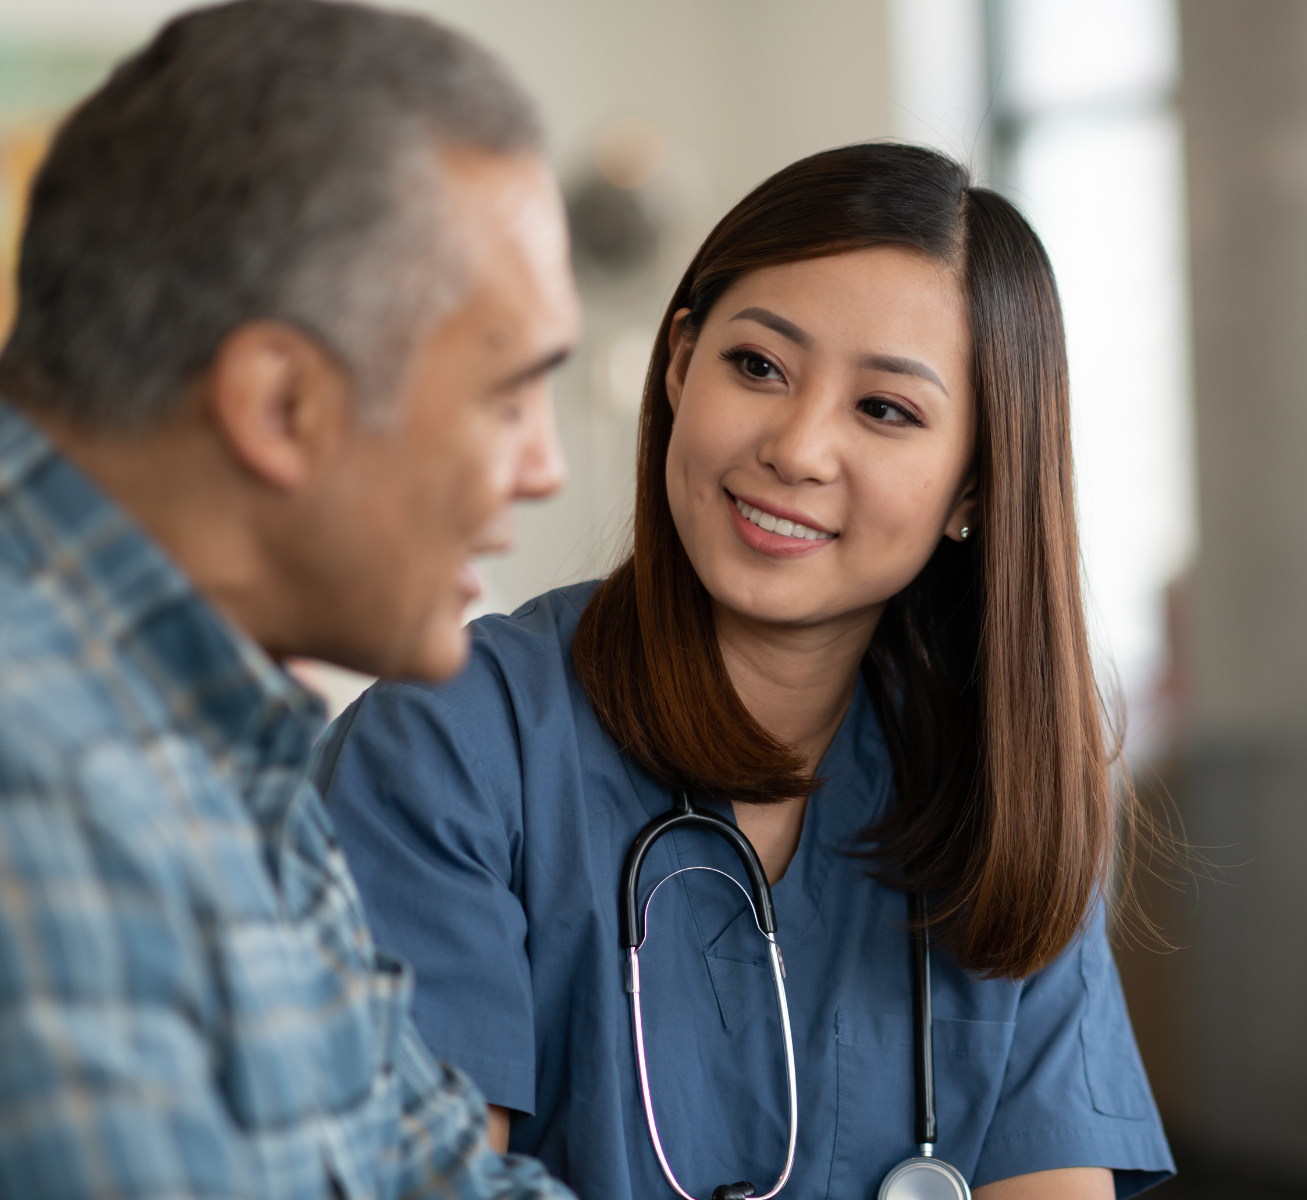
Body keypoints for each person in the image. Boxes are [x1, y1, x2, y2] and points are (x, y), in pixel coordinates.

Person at [317, 142, 1176, 1199]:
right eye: (758, 367)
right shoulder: (451, 743)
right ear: (680, 364)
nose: (799, 447)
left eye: (886, 410)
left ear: (975, 490)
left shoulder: (1002, 789)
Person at [0, 2, 587, 1197]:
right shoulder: (40, 787)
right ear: (282, 405)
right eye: (509, 396)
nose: (547, 467)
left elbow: (441, 1178)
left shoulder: (230, 744)